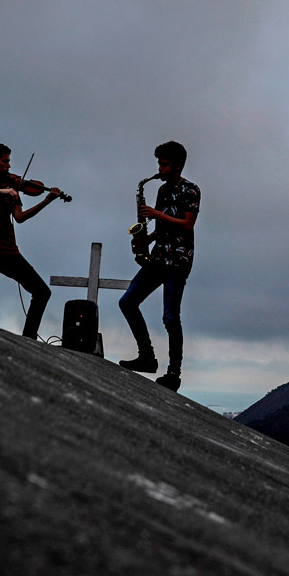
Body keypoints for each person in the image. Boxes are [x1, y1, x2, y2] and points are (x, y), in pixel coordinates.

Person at [118, 141, 200, 391]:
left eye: (163, 165)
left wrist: (156, 214)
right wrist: (145, 238)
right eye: (159, 164)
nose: (159, 169)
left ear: (176, 166)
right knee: (127, 302)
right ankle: (147, 357)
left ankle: (174, 373)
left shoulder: (191, 190)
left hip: (179, 259)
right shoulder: (163, 191)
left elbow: (187, 224)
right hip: (159, 255)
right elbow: (164, 225)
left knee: (170, 316)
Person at [0, 142, 63, 339]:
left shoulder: (11, 188)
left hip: (8, 251)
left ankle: (28, 339)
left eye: (9, 162)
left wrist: (46, 201)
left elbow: (20, 217)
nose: (9, 166)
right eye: (5, 161)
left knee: (42, 292)